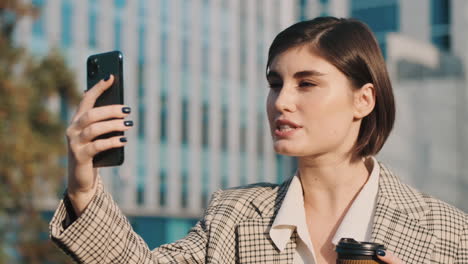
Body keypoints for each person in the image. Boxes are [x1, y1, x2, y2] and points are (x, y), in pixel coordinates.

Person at [50, 17, 467, 264]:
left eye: (307, 84)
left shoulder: (448, 233)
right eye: (275, 83)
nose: (280, 101)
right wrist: (83, 189)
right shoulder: (232, 217)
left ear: (363, 99)